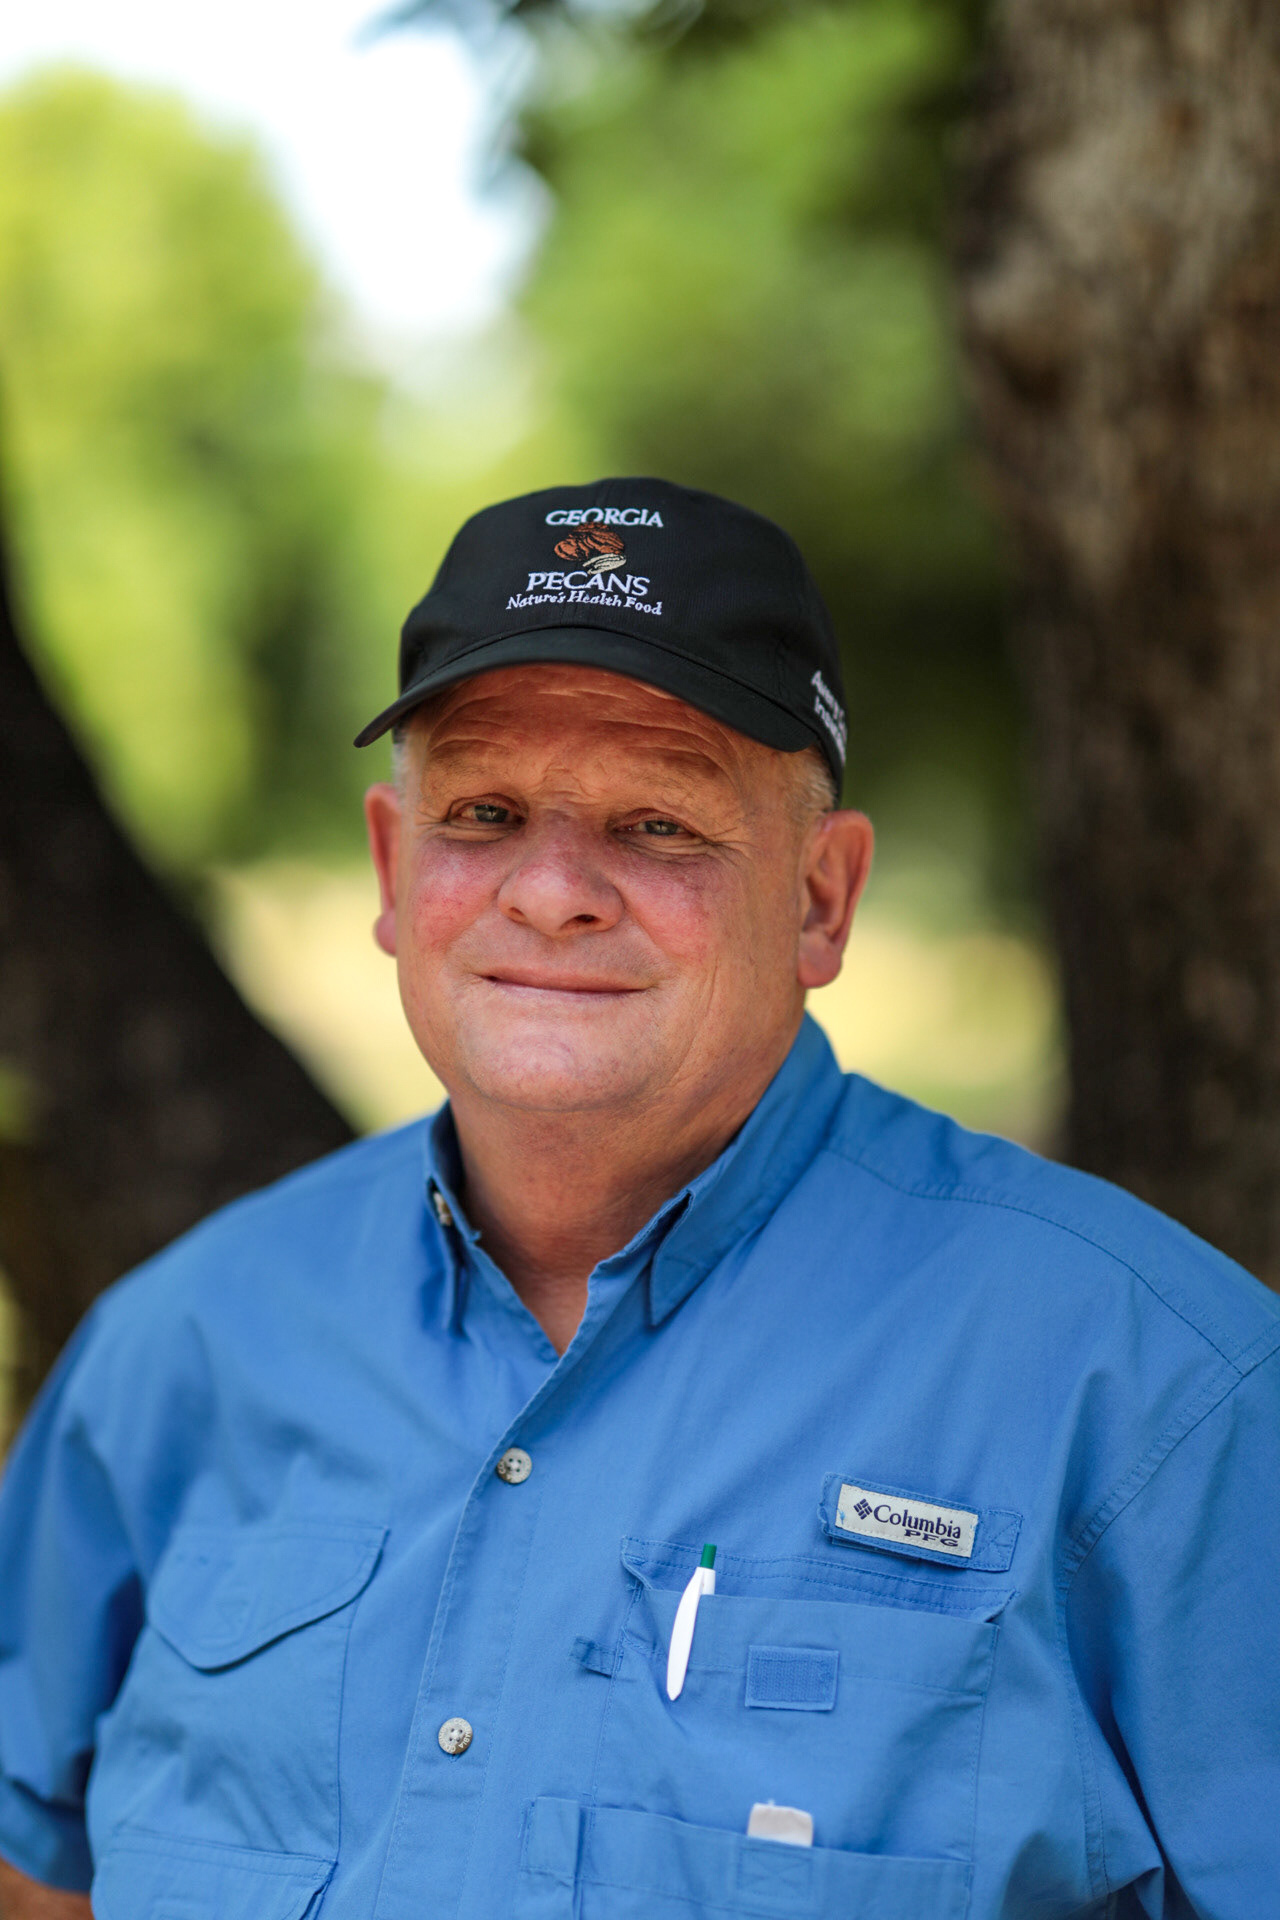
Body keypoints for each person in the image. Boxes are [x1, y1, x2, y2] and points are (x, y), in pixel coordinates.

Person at [0, 478, 1276, 1920]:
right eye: (481, 811)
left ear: (818, 900)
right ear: (390, 863)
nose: (551, 892)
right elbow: (36, 1866)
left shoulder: (1162, 1398)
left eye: (658, 822)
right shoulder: (179, 1349)